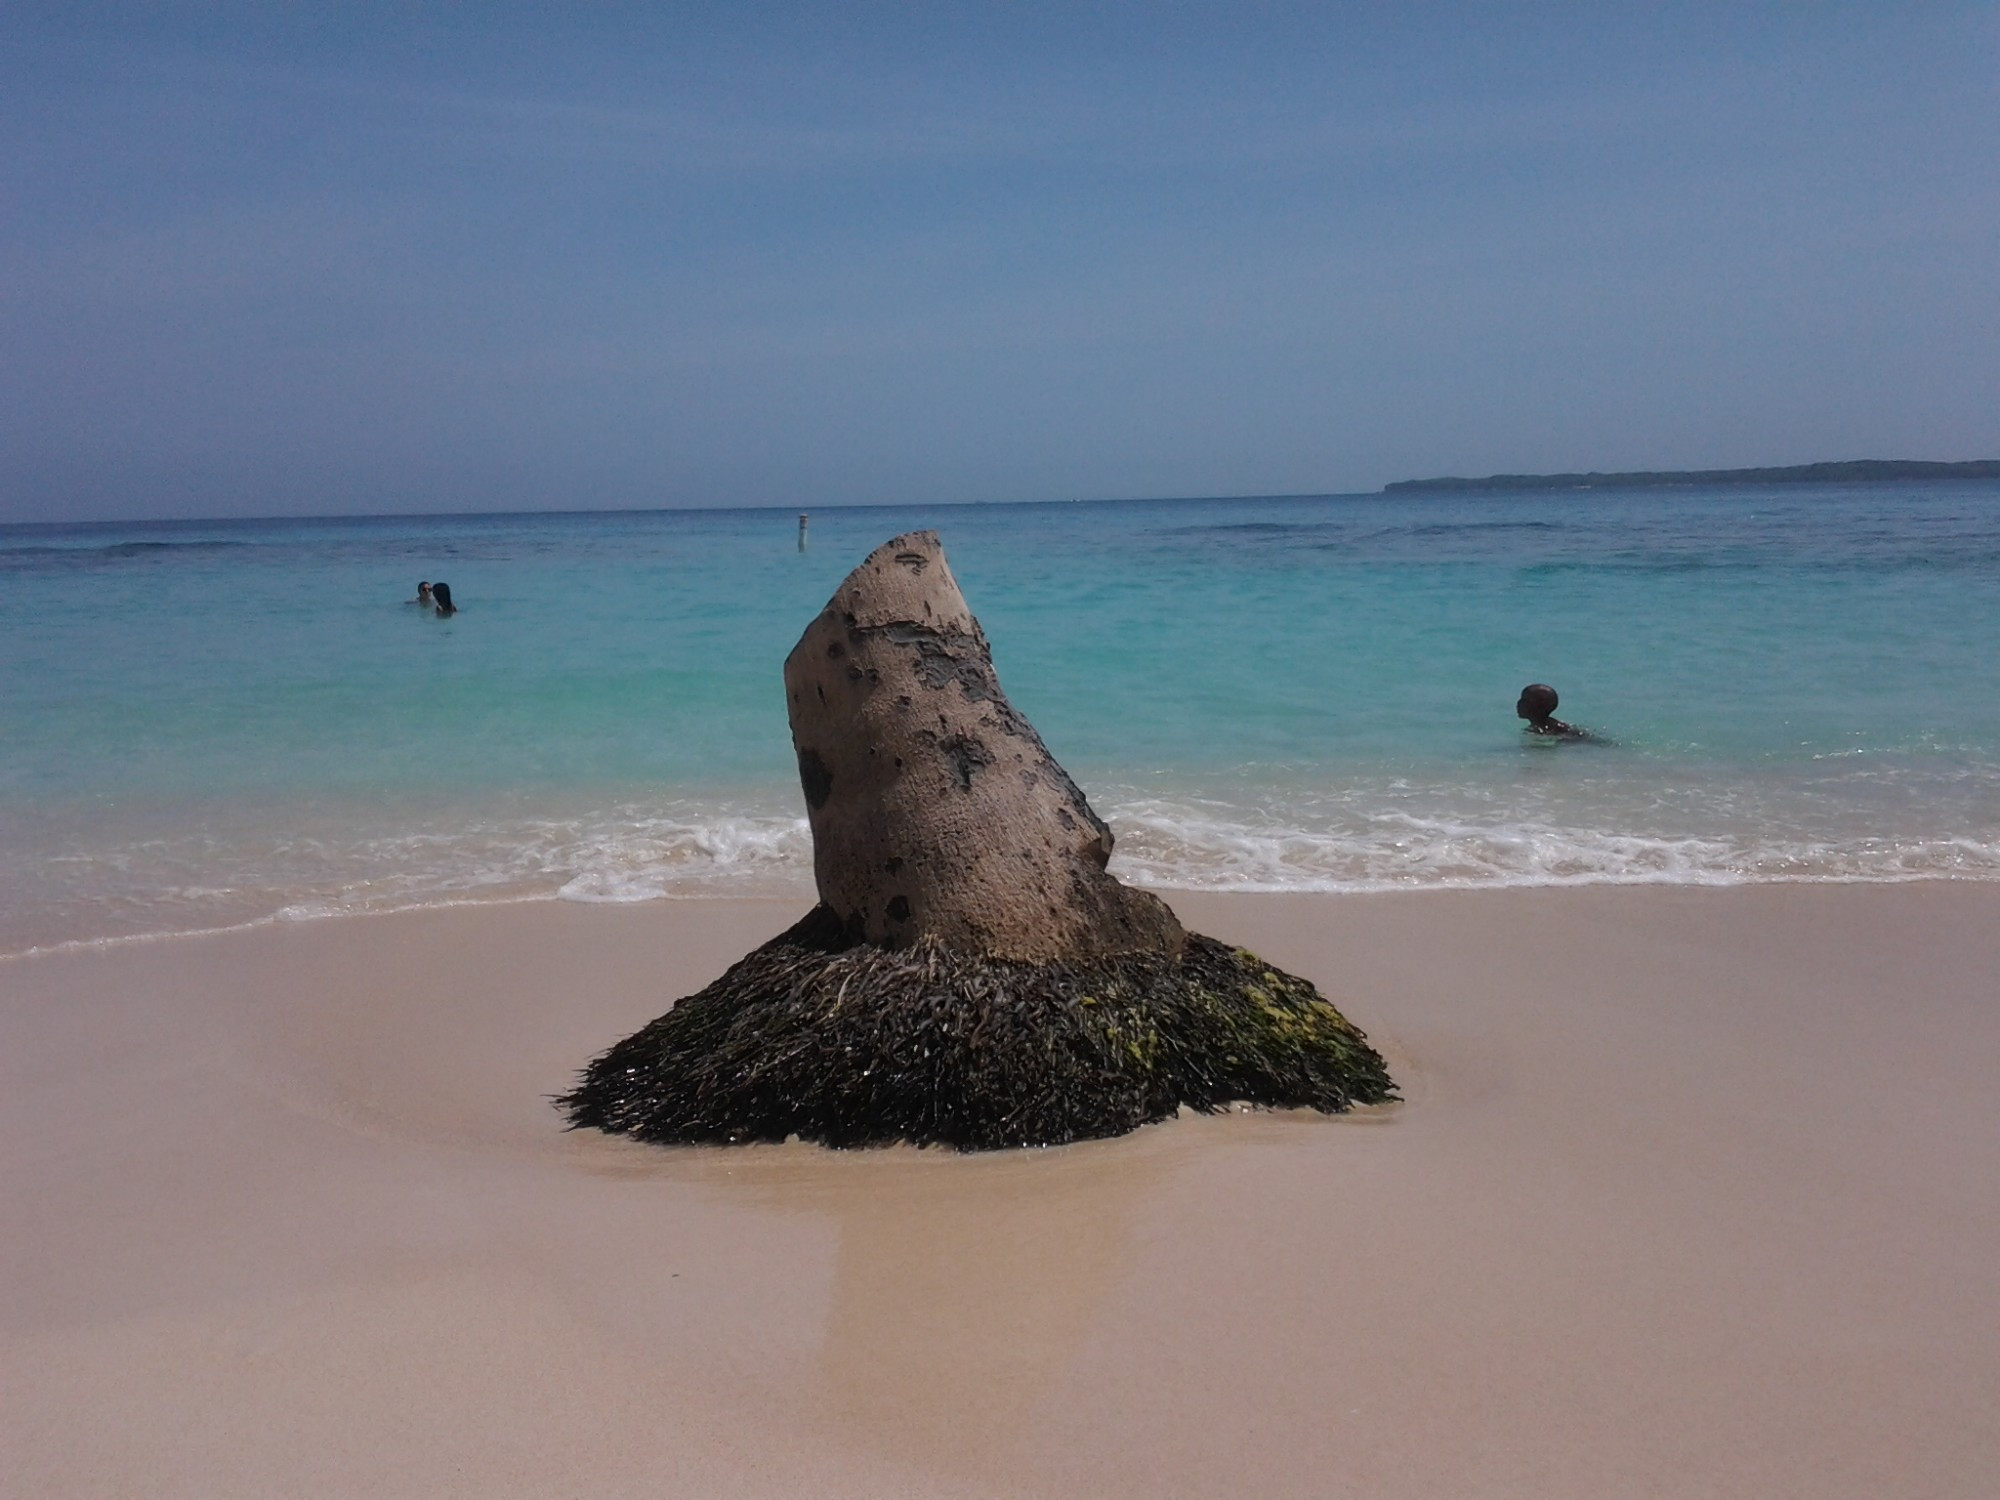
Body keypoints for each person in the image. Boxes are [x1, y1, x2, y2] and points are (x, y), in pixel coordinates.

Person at [1516, 682, 1588, 739]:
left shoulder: (1545, 729)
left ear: (1539, 706)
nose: (1518, 703)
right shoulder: (1546, 726)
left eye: (1525, 700)